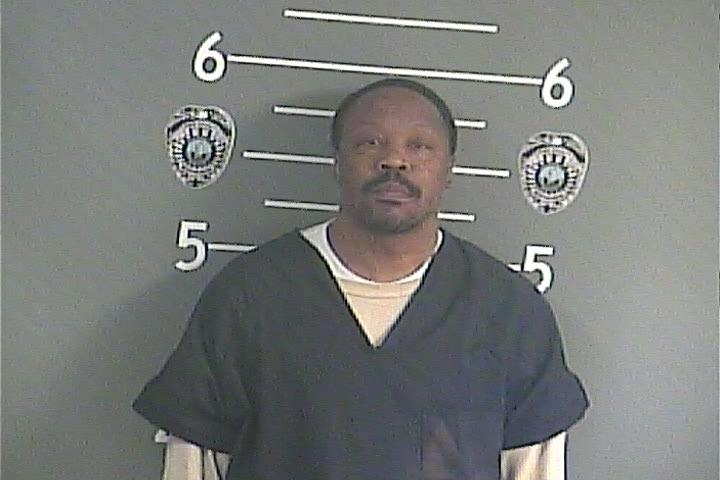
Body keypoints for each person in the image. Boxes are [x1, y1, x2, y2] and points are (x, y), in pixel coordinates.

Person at [133, 78, 589, 479]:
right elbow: (194, 462)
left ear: (449, 170)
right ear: (337, 161)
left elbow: (536, 468)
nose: (394, 161)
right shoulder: (249, 296)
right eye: (369, 143)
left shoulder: (508, 311)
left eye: (419, 146)